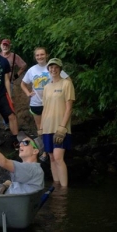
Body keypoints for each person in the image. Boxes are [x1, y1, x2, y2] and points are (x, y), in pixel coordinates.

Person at [40, 58, 75, 188]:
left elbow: (69, 108)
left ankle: (64, 188)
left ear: (60, 69)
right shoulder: (46, 87)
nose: (53, 69)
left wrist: (62, 127)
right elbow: (45, 108)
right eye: (51, 67)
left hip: (61, 127)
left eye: (56, 67)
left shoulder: (66, 84)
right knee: (51, 157)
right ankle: (56, 186)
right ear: (48, 69)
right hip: (47, 127)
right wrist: (41, 127)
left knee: (58, 157)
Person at [20, 47, 69, 131]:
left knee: (52, 125)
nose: (40, 57)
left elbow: (68, 80)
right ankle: (43, 143)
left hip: (52, 102)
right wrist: (28, 93)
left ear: (46, 55)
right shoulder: (31, 70)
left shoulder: (53, 67)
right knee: (40, 127)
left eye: (42, 54)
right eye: (37, 55)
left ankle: (52, 142)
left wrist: (61, 93)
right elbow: (23, 84)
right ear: (35, 57)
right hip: (36, 102)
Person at [0, 39, 27, 130]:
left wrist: (16, 75)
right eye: (3, 45)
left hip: (8, 84)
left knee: (8, 103)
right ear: (0, 45)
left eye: (7, 45)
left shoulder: (14, 56)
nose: (5, 47)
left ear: (9, 46)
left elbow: (24, 65)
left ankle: (8, 124)